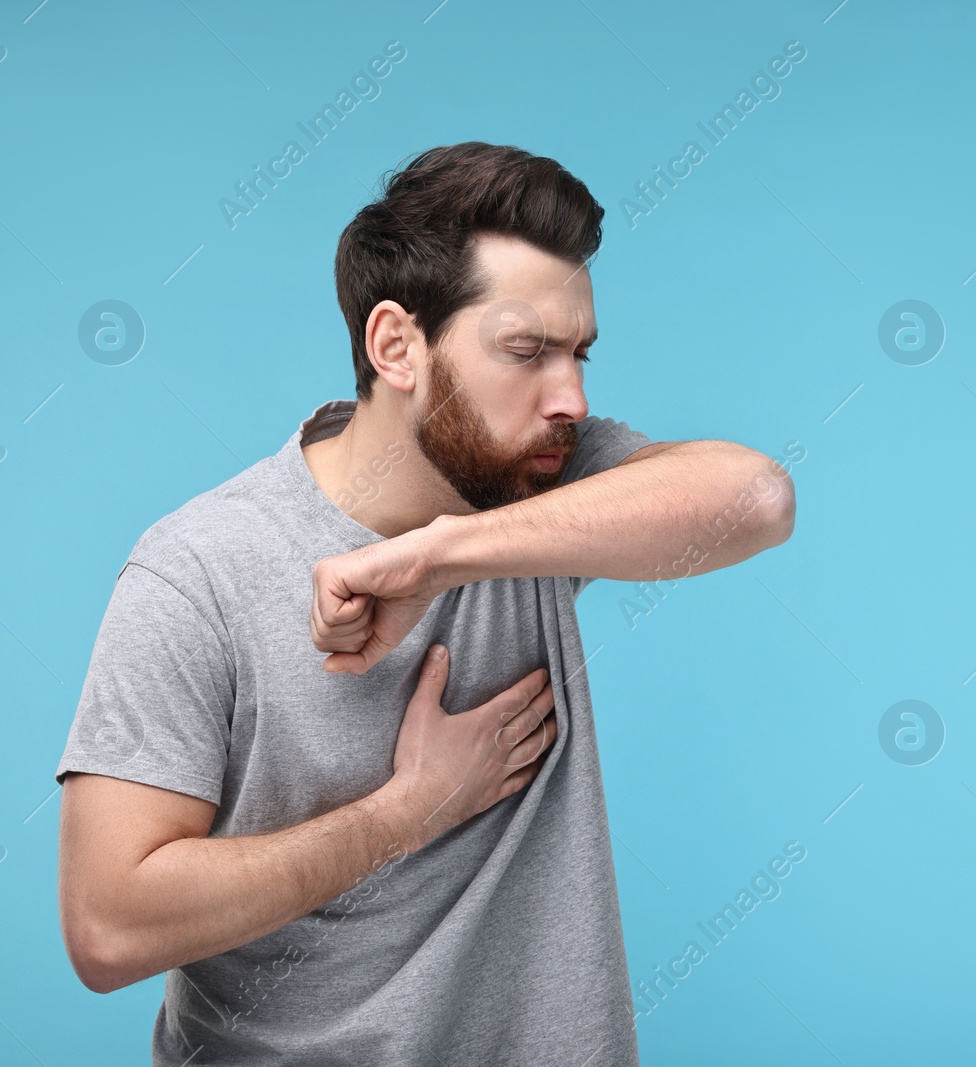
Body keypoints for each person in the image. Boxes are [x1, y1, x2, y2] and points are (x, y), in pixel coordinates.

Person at [53, 141, 796, 1066]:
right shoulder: (197, 571)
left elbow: (758, 498)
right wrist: (403, 816)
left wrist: (439, 558)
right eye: (526, 351)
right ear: (396, 345)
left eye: (578, 353)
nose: (570, 395)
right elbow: (109, 927)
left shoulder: (537, 497)